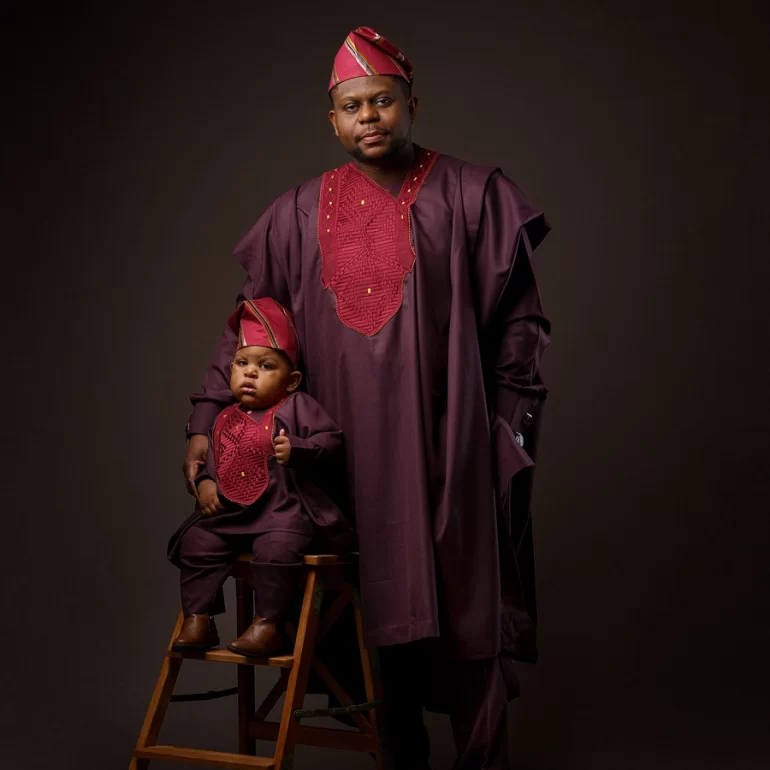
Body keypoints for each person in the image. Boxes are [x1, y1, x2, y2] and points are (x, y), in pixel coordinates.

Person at [182, 26, 551, 769]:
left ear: (412, 103)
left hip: (448, 447)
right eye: (352, 107)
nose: (369, 117)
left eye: (382, 101)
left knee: (466, 612)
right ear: (333, 120)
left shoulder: (473, 195)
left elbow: (521, 327)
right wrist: (206, 418)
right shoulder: (295, 213)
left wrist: (506, 435)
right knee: (370, 620)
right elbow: (252, 322)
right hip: (336, 456)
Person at [169, 297, 353, 657]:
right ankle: (199, 619)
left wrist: (298, 448)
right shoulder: (225, 415)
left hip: (281, 513)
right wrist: (205, 483)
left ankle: (268, 624)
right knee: (197, 542)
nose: (250, 373)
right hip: (232, 514)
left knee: (278, 549)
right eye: (242, 363)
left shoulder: (298, 406)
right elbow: (214, 459)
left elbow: (331, 442)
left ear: (292, 380)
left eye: (265, 366)